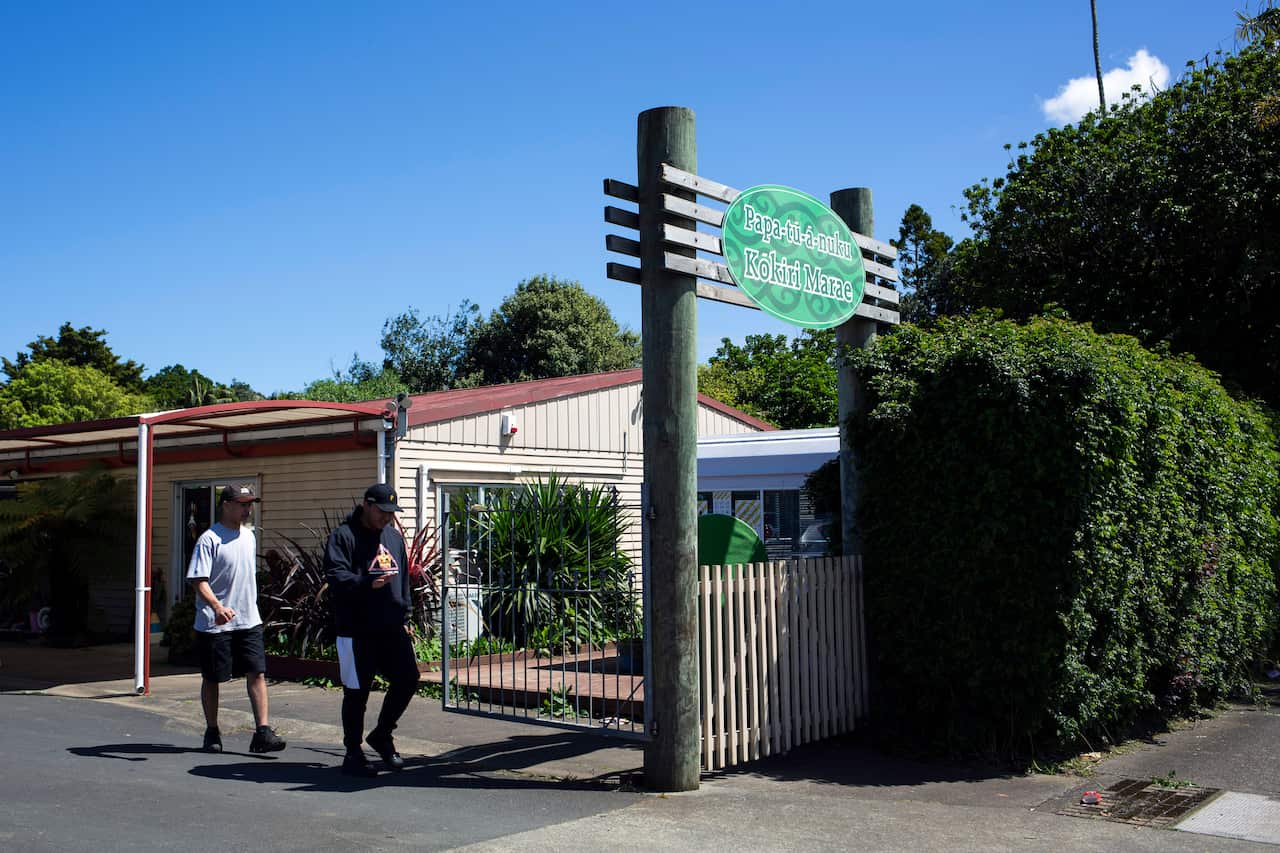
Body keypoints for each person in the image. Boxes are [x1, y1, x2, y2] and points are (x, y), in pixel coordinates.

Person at [324, 483, 418, 776]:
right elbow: (336, 576)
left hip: (391, 626)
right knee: (356, 692)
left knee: (408, 679)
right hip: (355, 629)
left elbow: (402, 578)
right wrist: (367, 582)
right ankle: (353, 753)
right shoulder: (344, 536)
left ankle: (382, 734)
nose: (387, 518)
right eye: (382, 511)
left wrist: (406, 617)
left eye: (392, 513)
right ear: (367, 504)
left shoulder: (392, 536)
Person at [187, 483, 286, 754]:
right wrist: (217, 607)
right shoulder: (210, 539)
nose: (247, 509)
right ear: (226, 505)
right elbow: (198, 580)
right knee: (213, 677)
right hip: (214, 622)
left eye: (250, 504)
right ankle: (212, 731)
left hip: (248, 619)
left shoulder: (249, 536)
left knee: (257, 673)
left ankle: (263, 732)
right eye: (242, 504)